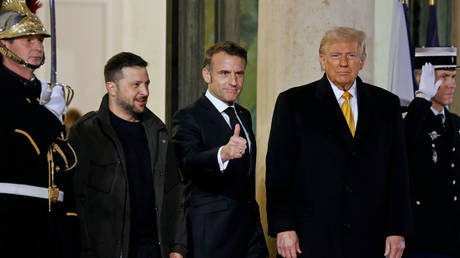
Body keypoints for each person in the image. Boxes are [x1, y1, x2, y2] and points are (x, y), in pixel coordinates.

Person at [265, 26, 413, 258]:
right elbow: (278, 171)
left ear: (362, 61)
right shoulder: (294, 103)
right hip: (311, 236)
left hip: (371, 237)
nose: (344, 63)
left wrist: (397, 229)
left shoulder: (386, 104)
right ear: (322, 61)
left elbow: (398, 173)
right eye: (335, 55)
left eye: (351, 55)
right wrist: (284, 226)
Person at [69, 52, 187, 258]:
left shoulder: (158, 131)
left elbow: (173, 193)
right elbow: (77, 198)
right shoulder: (87, 131)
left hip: (153, 250)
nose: (145, 91)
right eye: (136, 85)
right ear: (111, 87)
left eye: (147, 84)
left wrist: (178, 247)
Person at [172, 41, 268, 258]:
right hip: (213, 233)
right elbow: (186, 162)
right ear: (207, 75)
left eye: (239, 73)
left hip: (250, 232)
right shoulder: (188, 116)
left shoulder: (243, 114)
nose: (234, 82)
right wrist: (222, 153)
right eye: (224, 73)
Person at [0, 0, 78, 257]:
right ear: (4, 45)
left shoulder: (43, 94)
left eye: (40, 40)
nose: (37, 47)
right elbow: (18, 152)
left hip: (49, 225)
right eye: (27, 40)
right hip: (11, 221)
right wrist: (49, 116)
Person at [404, 47, 460, 258]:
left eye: (453, 77)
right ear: (422, 80)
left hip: (453, 238)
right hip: (424, 238)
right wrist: (422, 98)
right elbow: (405, 141)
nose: (452, 84)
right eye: (444, 77)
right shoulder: (413, 123)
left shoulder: (455, 123)